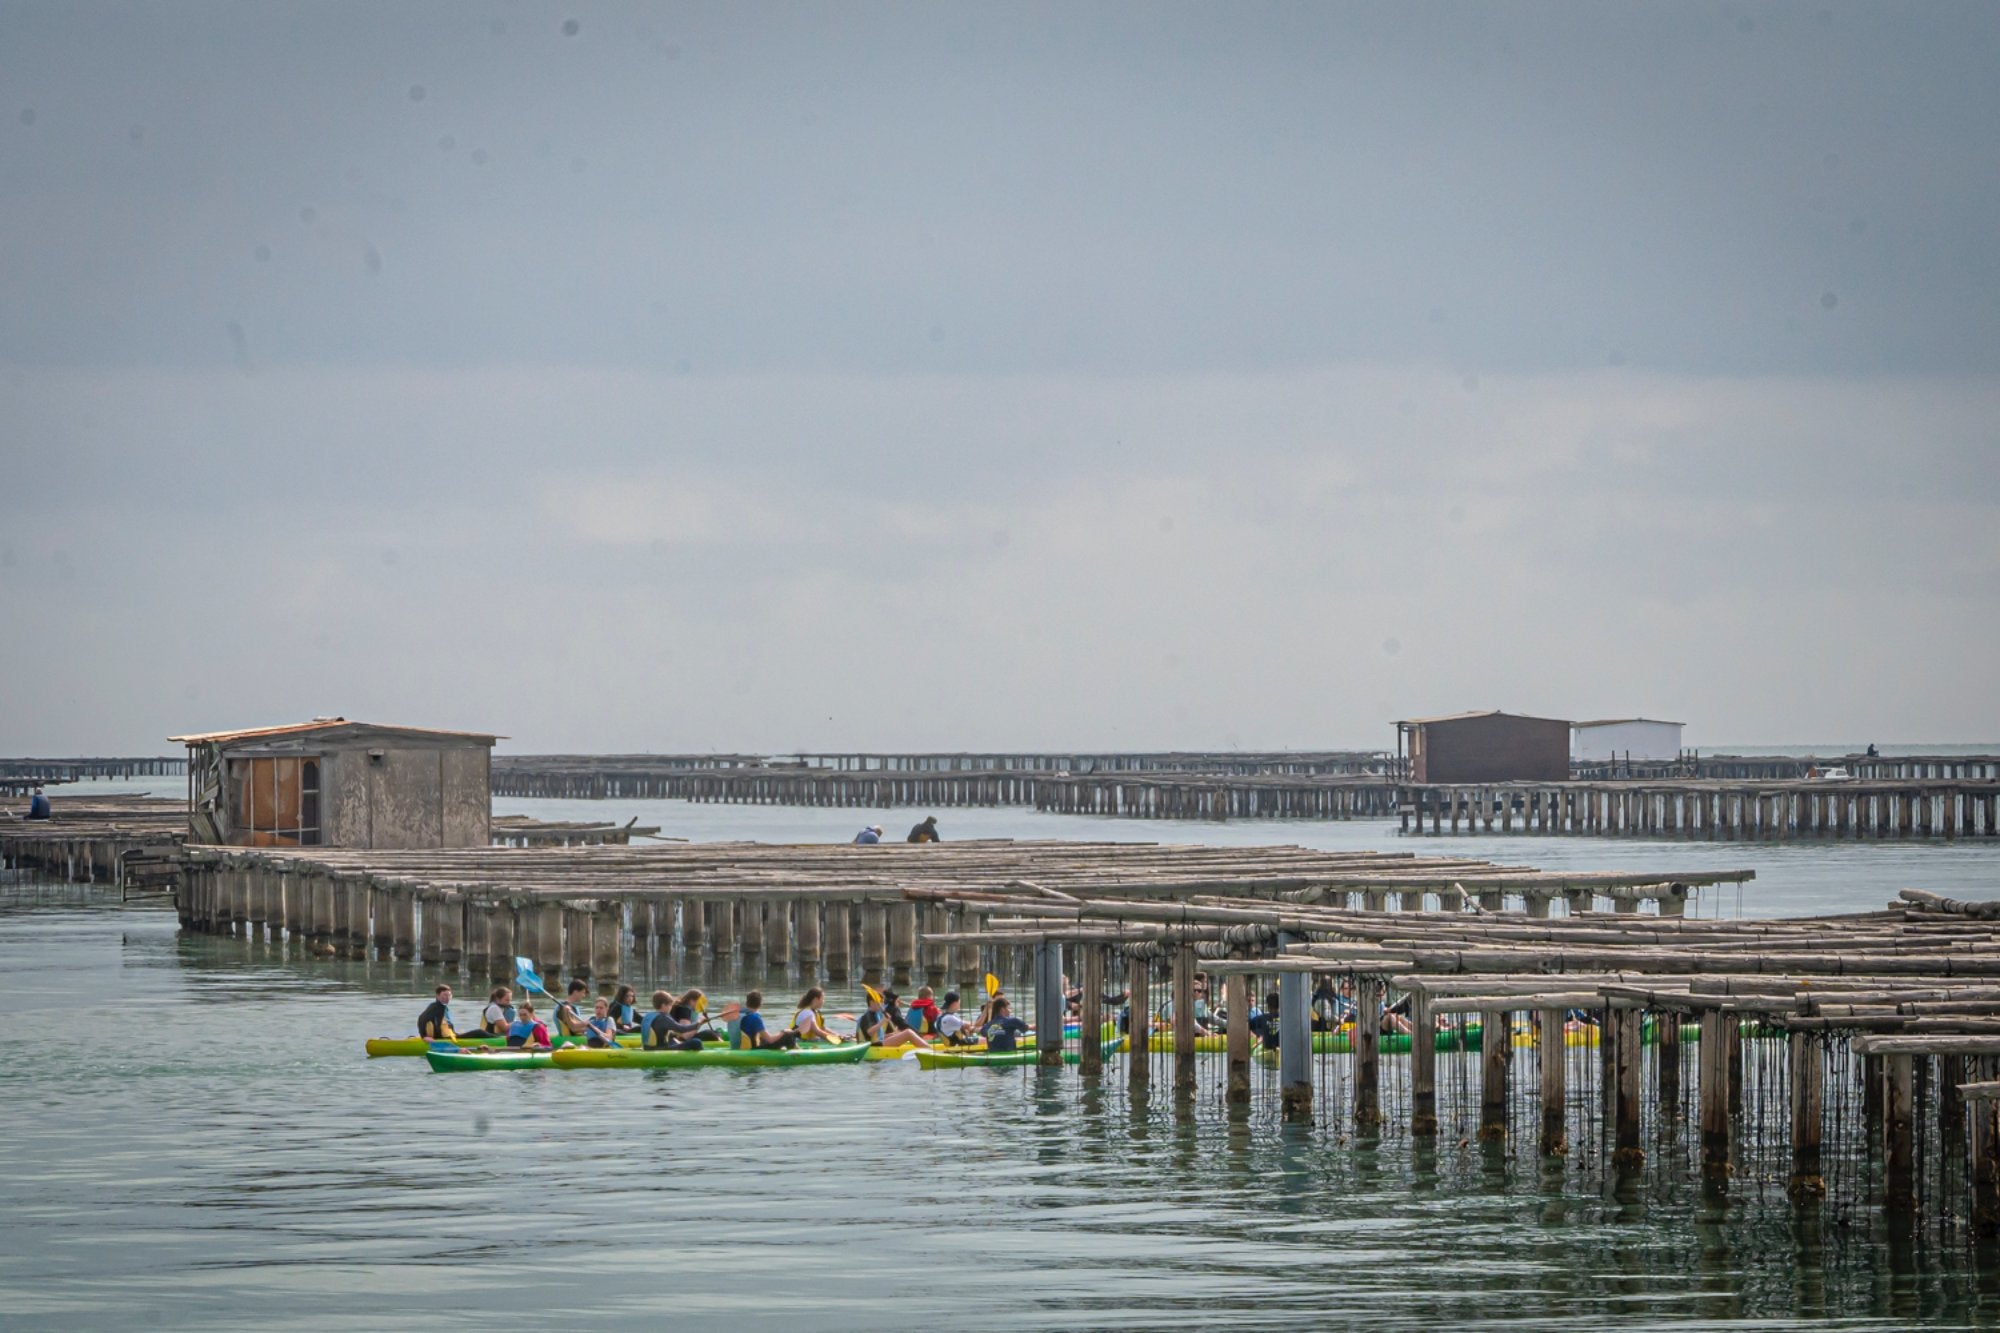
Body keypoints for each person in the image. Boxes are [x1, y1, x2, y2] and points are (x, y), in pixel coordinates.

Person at [858, 991, 929, 1049]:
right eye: (880, 1002)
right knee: (908, 1032)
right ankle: (929, 1050)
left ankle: (923, 1045)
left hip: (875, 1043)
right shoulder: (868, 1016)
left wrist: (893, 1034)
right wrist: (882, 1021)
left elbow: (877, 1036)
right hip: (871, 1047)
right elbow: (869, 1032)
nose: (882, 1004)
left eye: (882, 1002)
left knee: (898, 1033)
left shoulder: (874, 1014)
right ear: (871, 1002)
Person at [735, 991, 801, 1050]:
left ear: (747, 1003)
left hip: (742, 1046)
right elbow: (770, 1040)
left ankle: (794, 1048)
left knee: (763, 1038)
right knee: (788, 1035)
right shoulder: (755, 1018)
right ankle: (798, 1053)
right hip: (753, 1049)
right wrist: (783, 1032)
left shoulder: (739, 1014)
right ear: (760, 1005)